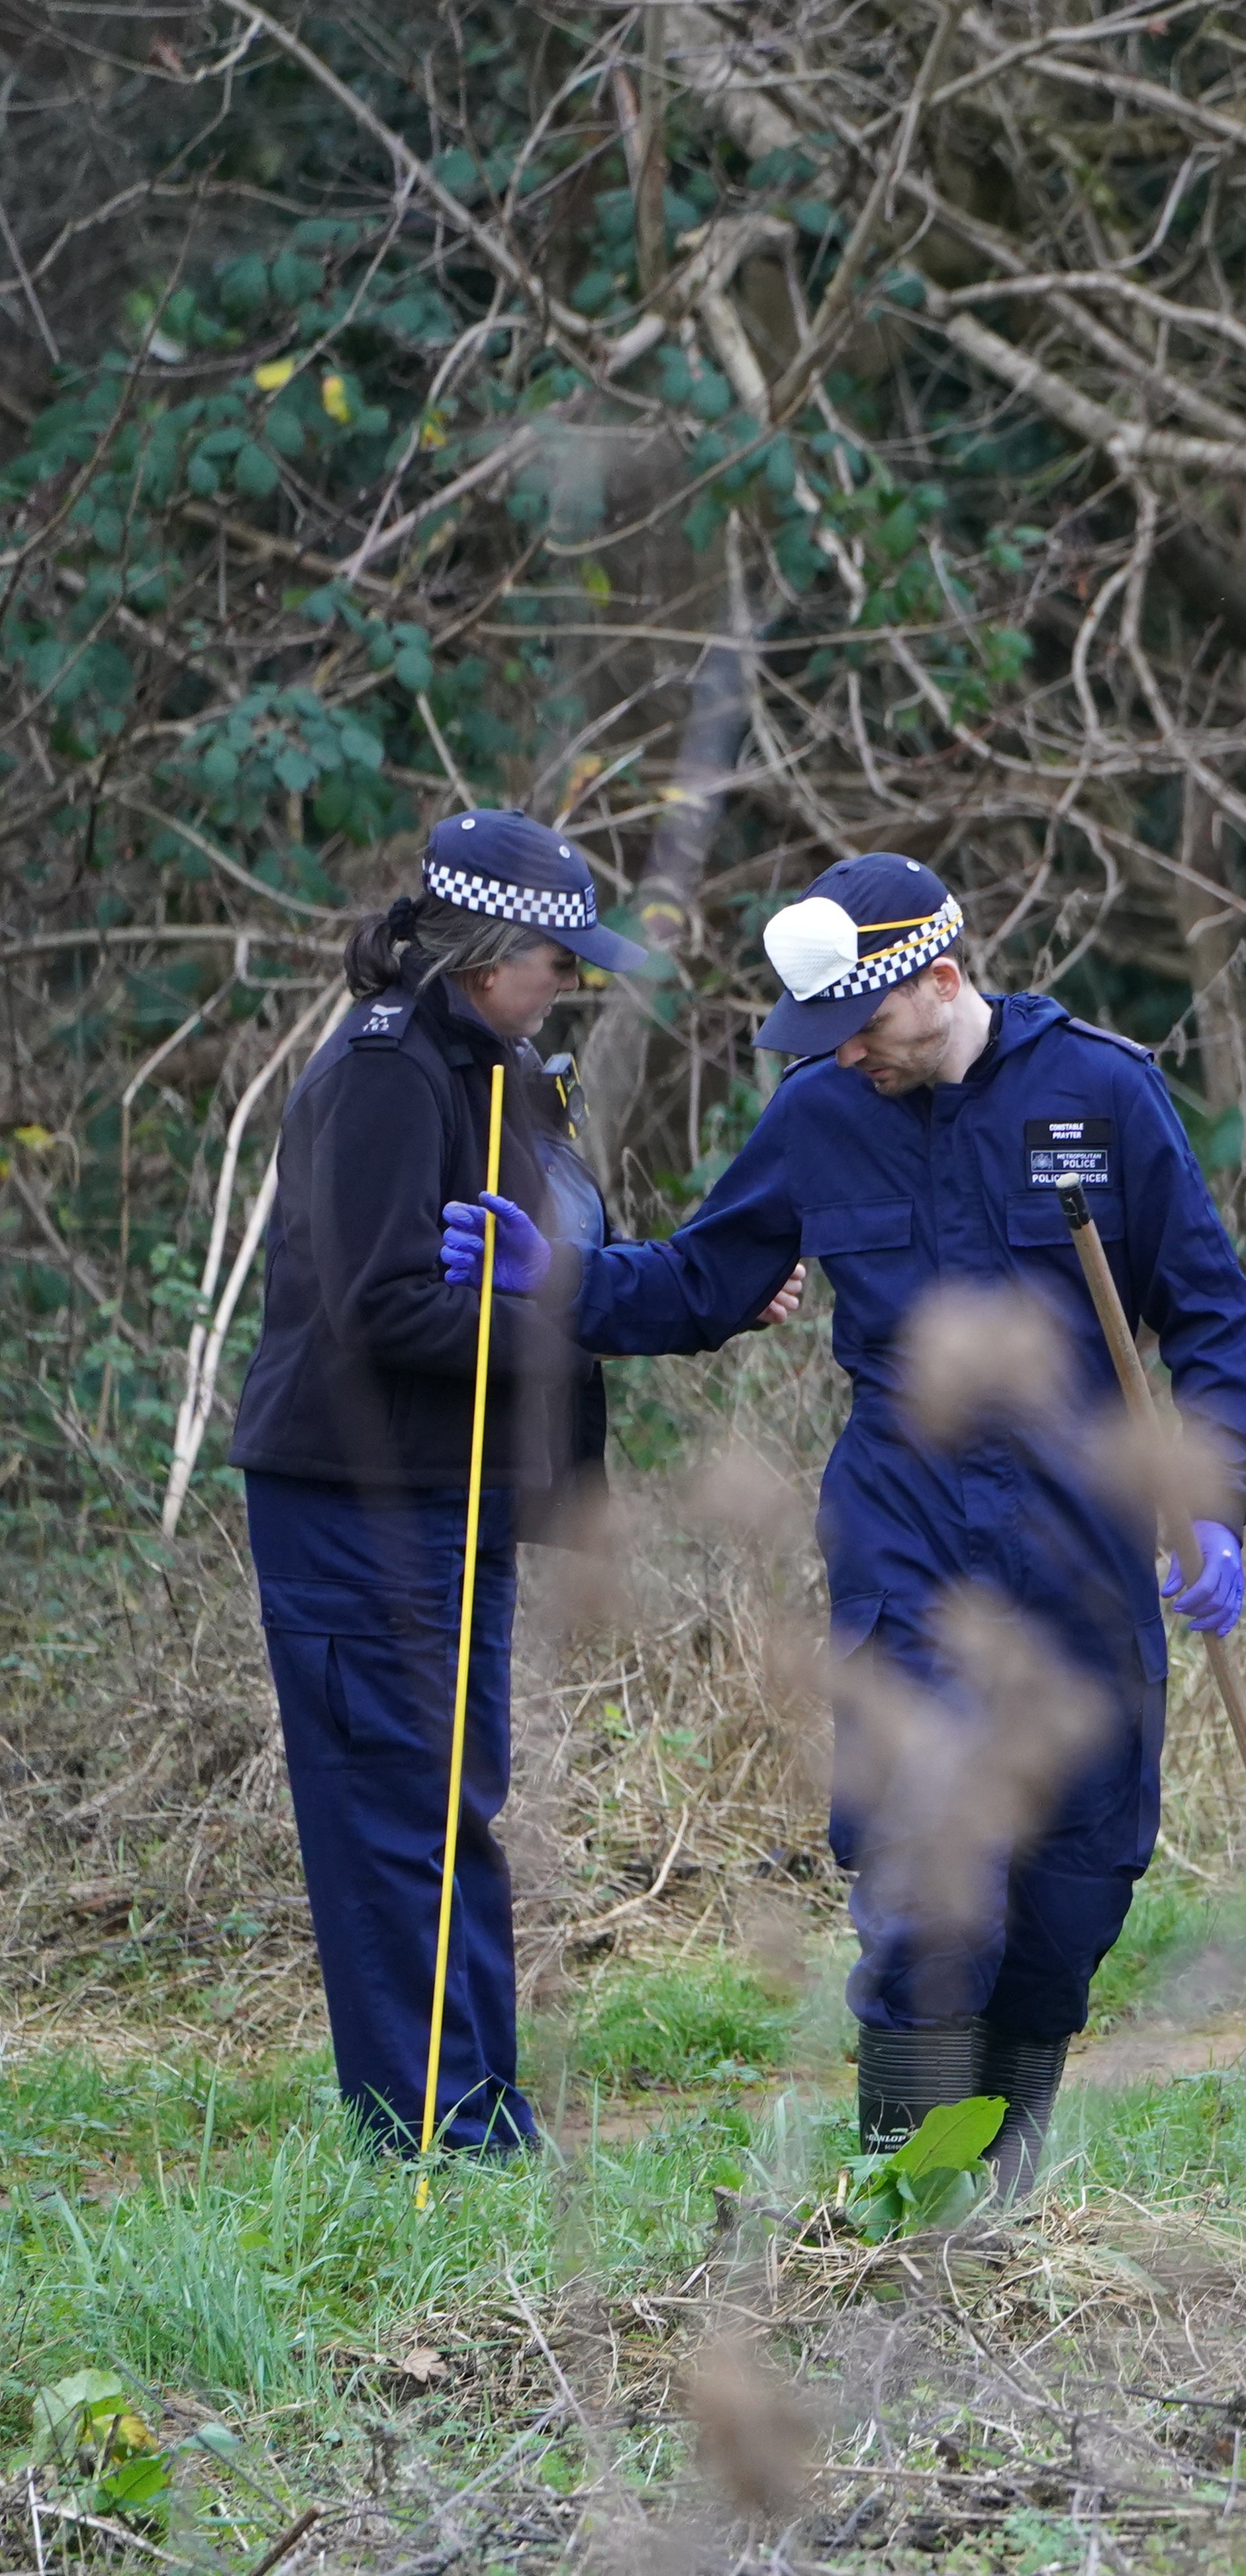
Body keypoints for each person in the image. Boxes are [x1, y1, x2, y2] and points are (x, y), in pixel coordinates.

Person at [470, 852, 1246, 2189]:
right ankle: (905, 2210)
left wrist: (1218, 1500)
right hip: (907, 1552)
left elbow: (1213, 1309)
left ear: (943, 981)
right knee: (926, 1886)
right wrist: (556, 1277)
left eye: (863, 1023)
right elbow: (703, 1279)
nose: (845, 1053)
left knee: (1072, 1895)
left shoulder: (1105, 1094)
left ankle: (1004, 2199)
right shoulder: (821, 1115)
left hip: (1084, 1558)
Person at [238, 809, 682, 2155]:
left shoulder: (503, 1066)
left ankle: (487, 2113)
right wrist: (562, 1318)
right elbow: (381, 1306)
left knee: (458, 1805)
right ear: (486, 949)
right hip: (355, 1499)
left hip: (458, 1494)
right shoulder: (385, 1074)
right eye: (556, 955)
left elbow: (533, 1266)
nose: (569, 978)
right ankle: (424, 2132)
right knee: (394, 1816)